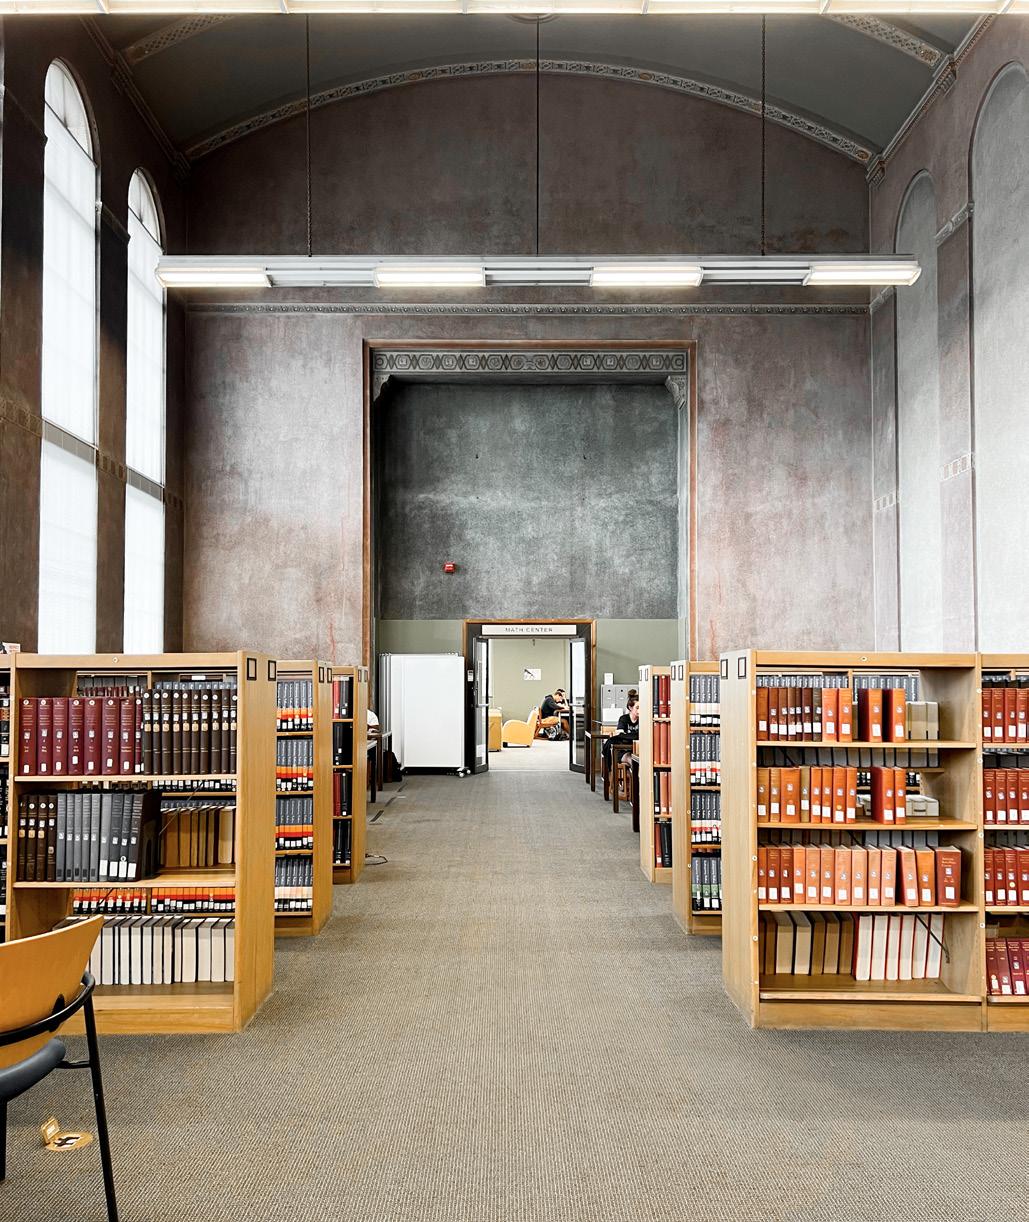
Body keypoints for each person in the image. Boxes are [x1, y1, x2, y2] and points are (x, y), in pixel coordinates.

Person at [603, 696, 640, 773]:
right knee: (632, 760)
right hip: (623, 750)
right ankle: (636, 780)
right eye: (637, 708)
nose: (639, 710)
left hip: (638, 750)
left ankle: (638, 778)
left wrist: (627, 735)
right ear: (630, 707)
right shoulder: (624, 718)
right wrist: (634, 735)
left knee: (640, 759)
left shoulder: (644, 719)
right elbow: (620, 735)